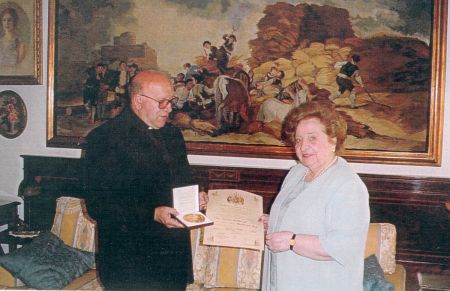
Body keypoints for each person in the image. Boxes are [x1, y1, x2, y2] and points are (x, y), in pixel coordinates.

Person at [82, 70, 207, 290]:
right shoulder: (104, 138)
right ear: (138, 101)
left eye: (171, 101)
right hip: (129, 262)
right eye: (162, 102)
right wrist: (152, 213)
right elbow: (98, 204)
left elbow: (183, 179)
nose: (169, 108)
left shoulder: (172, 135)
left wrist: (196, 196)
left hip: (172, 257)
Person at [260, 101, 370, 290]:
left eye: (312, 138)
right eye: (298, 140)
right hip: (285, 279)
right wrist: (274, 221)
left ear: (333, 140)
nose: (304, 146)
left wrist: (292, 241)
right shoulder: (297, 172)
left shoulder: (348, 185)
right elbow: (302, 217)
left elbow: (343, 246)